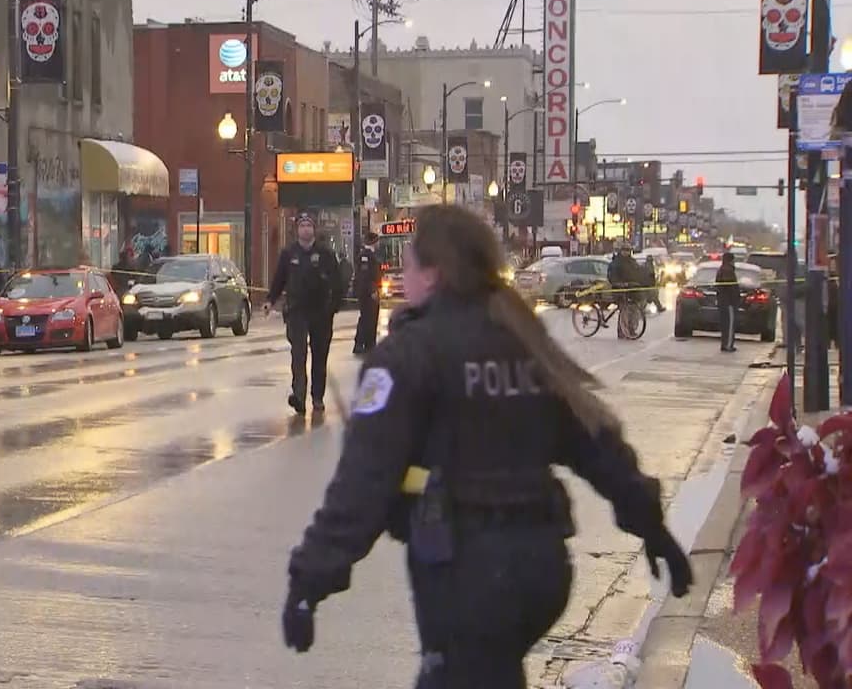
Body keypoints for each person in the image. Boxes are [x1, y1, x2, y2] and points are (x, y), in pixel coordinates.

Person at [282, 205, 692, 688]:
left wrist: (310, 577)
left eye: (409, 265)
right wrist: (650, 523)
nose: (403, 278)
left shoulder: (410, 354)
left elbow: (363, 481)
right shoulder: (520, 338)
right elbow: (595, 441)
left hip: (467, 572)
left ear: (433, 273)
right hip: (541, 566)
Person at [264, 212, 343, 415]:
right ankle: (299, 395)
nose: (305, 229)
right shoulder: (289, 254)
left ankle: (317, 397)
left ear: (314, 229)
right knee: (298, 354)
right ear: (297, 230)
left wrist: (333, 306)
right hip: (297, 311)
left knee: (319, 356)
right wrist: (270, 301)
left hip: (321, 312)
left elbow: (338, 281)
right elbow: (279, 279)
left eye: (309, 225)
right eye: (302, 226)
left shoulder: (325, 254)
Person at [353, 232, 382, 354]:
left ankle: (369, 343)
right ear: (373, 242)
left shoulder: (372, 255)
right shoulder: (365, 256)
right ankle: (363, 344)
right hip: (367, 293)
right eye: (377, 241)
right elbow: (365, 276)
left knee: (371, 318)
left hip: (371, 291)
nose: (379, 243)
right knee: (367, 318)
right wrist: (372, 290)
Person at [716, 252, 740, 353]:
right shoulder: (728, 270)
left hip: (723, 301)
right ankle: (728, 345)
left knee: (725, 324)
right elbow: (730, 287)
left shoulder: (723, 269)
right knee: (729, 324)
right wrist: (735, 298)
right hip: (728, 302)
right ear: (731, 260)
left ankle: (725, 344)